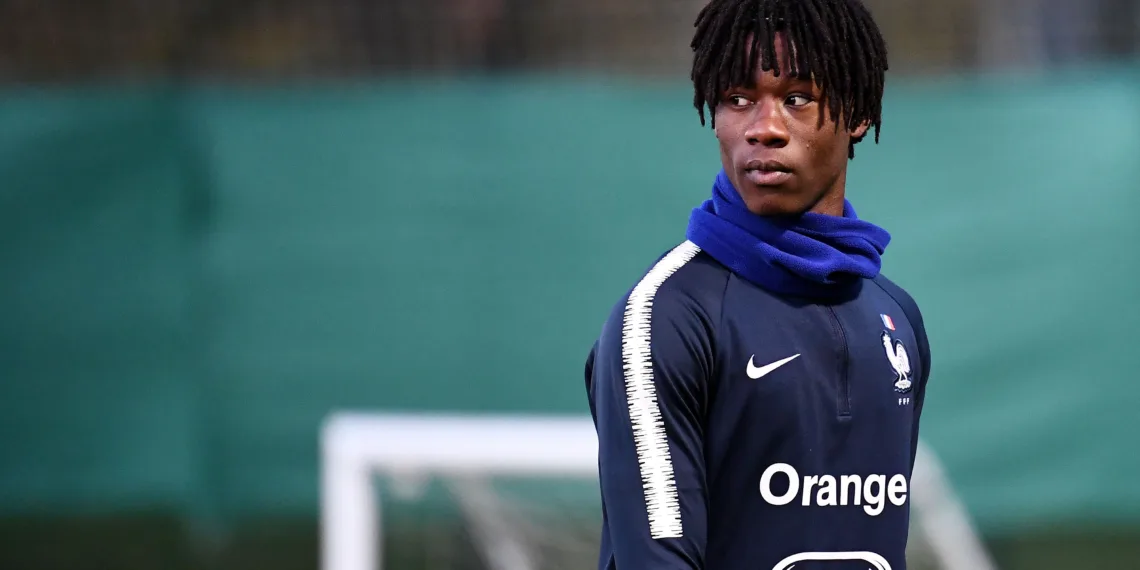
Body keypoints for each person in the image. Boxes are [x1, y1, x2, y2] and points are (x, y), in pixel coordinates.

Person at [582, 0, 930, 568]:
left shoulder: (897, 319)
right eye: (737, 100)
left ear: (859, 113)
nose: (762, 129)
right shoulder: (665, 317)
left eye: (797, 99)